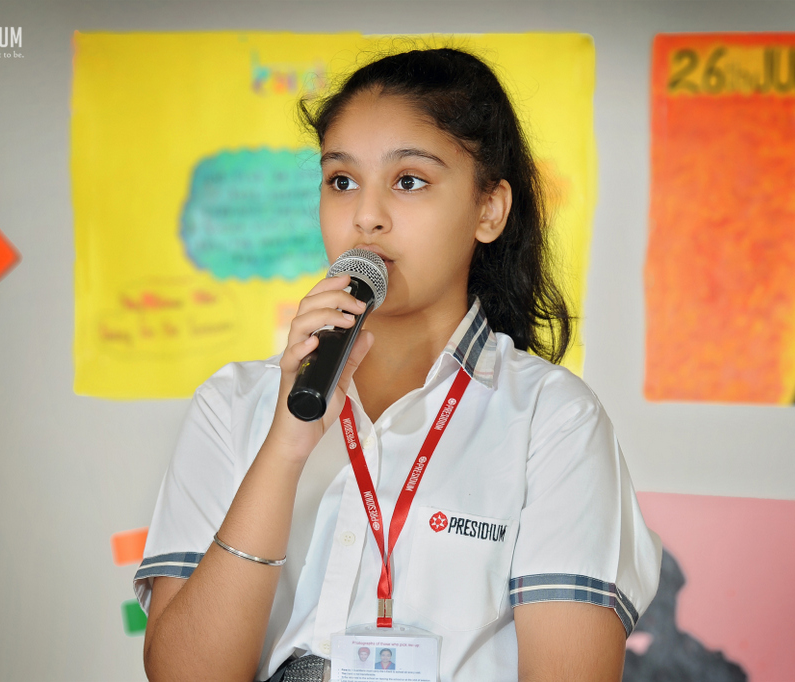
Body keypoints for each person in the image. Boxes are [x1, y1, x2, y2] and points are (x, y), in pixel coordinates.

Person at [134, 46, 662, 682]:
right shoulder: (232, 405)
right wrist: (285, 447)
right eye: (342, 181)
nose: (366, 216)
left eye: (409, 181)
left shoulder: (552, 420)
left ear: (490, 209)